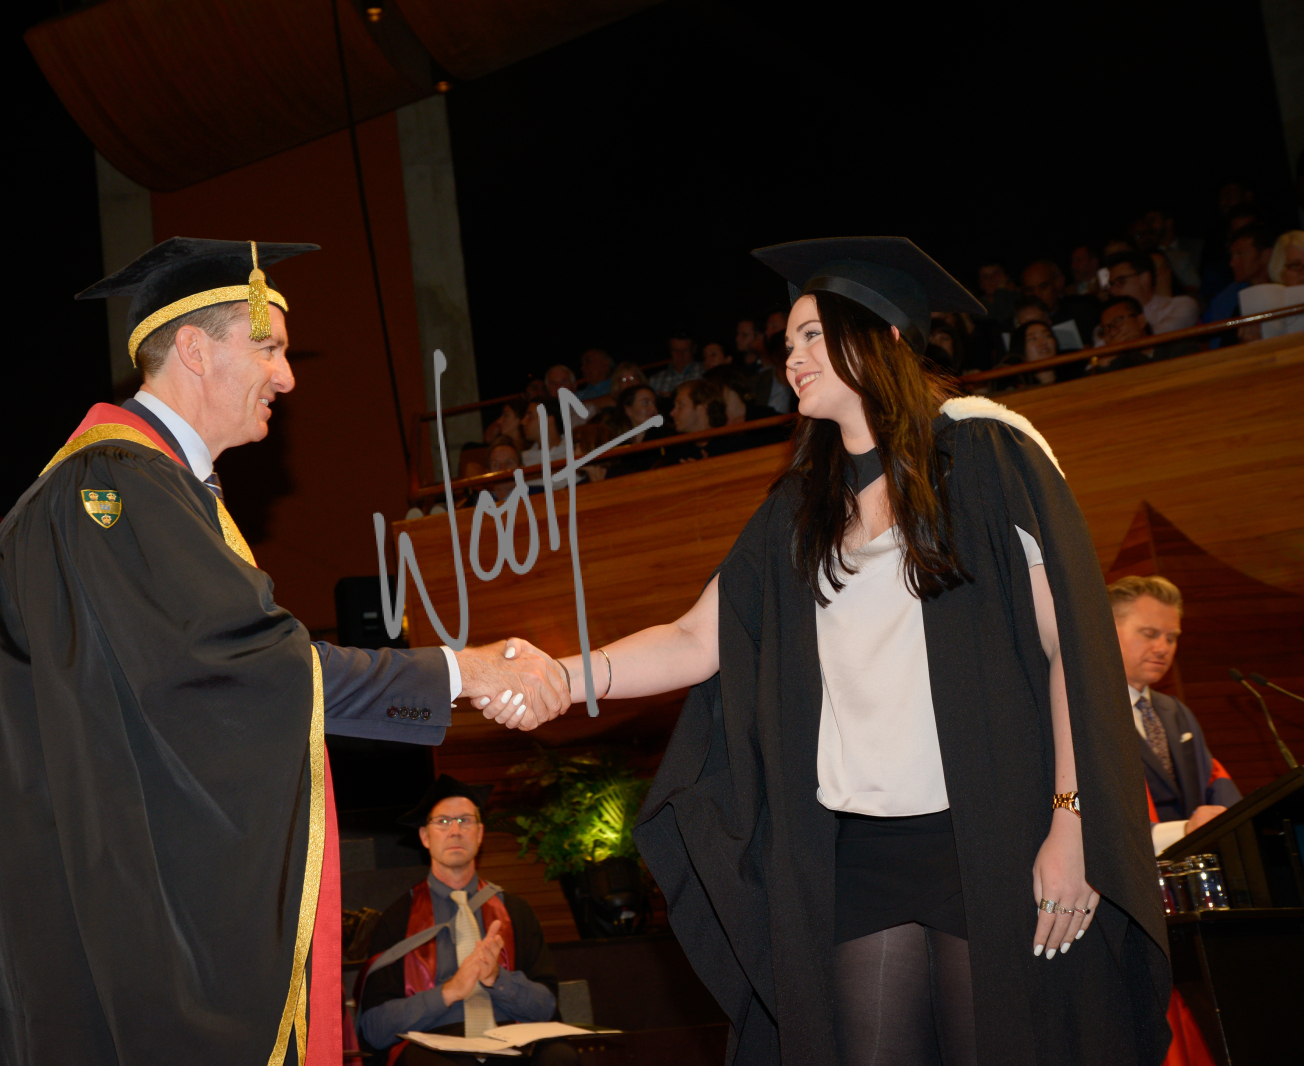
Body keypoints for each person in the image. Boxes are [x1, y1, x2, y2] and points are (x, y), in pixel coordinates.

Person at [500, 237, 1170, 1064]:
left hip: (989, 838)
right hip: (858, 856)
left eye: (812, 334)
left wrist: (1072, 821)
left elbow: (1066, 647)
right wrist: (561, 677)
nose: (791, 357)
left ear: (883, 338)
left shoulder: (987, 459)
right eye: (788, 342)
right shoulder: (799, 508)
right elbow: (693, 640)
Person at [0, 237, 570, 1065]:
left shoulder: (144, 486)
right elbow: (245, 666)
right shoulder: (114, 486)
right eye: (268, 348)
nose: (288, 376)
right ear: (194, 350)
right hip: (91, 906)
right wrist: (462, 669)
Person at [357, 777, 570, 1066]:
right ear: (424, 836)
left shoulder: (515, 912)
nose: (455, 830)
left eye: (465, 821)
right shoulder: (397, 920)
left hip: (512, 1036)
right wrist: (448, 992)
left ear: (480, 834)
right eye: (443, 822)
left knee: (559, 1058)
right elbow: (375, 1028)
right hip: (434, 1042)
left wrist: (497, 979)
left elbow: (546, 1007)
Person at [1107, 576, 1240, 856]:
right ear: (1105, 630)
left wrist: (1233, 818)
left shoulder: (1174, 711)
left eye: (1171, 638)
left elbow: (1213, 784)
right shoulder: (1084, 715)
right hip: (1129, 866)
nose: (1163, 648)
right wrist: (1181, 832)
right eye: (1149, 633)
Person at [1103, 250, 1198, 337]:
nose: (1113, 291)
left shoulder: (1181, 305)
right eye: (1111, 284)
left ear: (1145, 278)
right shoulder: (1106, 323)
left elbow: (1159, 336)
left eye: (1121, 281)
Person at [1203, 224, 1275, 326]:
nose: (1232, 263)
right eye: (1232, 255)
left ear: (1266, 255)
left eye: (1241, 254)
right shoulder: (1225, 301)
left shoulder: (1288, 285)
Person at [1020, 259, 1098, 345]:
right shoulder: (1019, 325)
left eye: (1043, 287)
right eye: (1030, 290)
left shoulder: (1083, 315)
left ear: (1057, 284)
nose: (1037, 295)